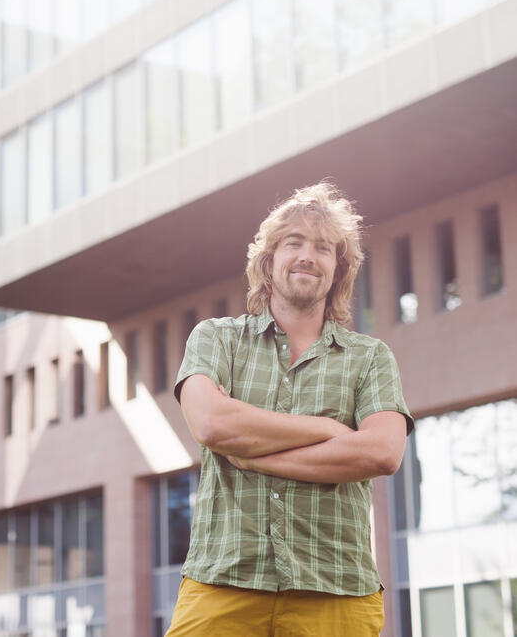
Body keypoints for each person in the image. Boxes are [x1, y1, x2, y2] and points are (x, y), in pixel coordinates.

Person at [167, 182, 413, 637]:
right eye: (293, 242)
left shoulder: (370, 357)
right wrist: (325, 429)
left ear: (338, 269)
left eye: (323, 247)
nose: (307, 255)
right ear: (268, 260)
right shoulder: (216, 338)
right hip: (222, 584)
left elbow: (381, 452)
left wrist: (251, 453)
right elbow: (211, 422)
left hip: (336, 590)